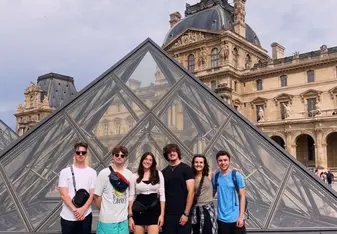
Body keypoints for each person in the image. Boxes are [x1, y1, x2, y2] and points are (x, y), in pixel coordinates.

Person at [58, 141, 97, 234]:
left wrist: (82, 210)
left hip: (86, 215)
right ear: (74, 154)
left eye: (83, 152)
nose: (80, 154)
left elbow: (92, 194)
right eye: (78, 152)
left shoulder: (92, 172)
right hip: (68, 216)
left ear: (86, 154)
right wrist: (76, 211)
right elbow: (64, 195)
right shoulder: (65, 172)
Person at [94, 146, 133, 234]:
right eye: (117, 155)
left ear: (126, 158)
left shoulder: (129, 174)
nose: (119, 157)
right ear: (112, 156)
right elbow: (96, 196)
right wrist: (105, 210)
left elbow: (130, 195)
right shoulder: (103, 173)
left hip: (123, 220)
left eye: (122, 155)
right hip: (107, 220)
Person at [128, 152, 165, 234]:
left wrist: (162, 215)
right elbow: (131, 196)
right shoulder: (134, 176)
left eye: (150, 160)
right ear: (141, 161)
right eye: (145, 159)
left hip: (154, 210)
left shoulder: (158, 174)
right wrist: (130, 217)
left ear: (153, 162)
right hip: (138, 211)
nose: (147, 161)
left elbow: (162, 195)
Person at [161, 143, 195, 234]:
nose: (172, 153)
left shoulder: (187, 169)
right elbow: (161, 194)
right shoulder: (163, 172)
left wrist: (186, 213)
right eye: (169, 152)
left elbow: (191, 192)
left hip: (182, 213)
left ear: (178, 153)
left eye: (174, 151)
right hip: (168, 215)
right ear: (166, 155)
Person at [213, 150, 246, 234]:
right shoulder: (216, 176)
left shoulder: (237, 176)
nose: (223, 163)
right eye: (220, 160)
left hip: (236, 218)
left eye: (225, 160)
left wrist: (241, 217)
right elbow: (211, 194)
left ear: (229, 161)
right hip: (221, 219)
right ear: (217, 162)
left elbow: (242, 197)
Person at [190, 154, 217, 234]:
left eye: (201, 162)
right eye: (196, 162)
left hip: (207, 210)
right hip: (195, 210)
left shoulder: (209, 174)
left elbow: (223, 173)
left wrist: (234, 171)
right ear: (193, 163)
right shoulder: (190, 177)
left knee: (208, 231)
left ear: (204, 164)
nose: (198, 164)